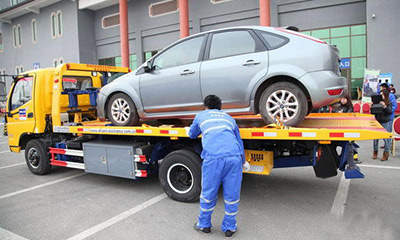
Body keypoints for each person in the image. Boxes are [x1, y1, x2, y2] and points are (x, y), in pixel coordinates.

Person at [188, 95, 249, 238]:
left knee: (208, 193)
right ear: (221, 106)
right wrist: (244, 161)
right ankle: (229, 228)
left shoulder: (201, 115)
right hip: (234, 158)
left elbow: (192, 134)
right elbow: (238, 140)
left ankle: (204, 226)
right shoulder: (229, 118)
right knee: (232, 195)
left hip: (213, 159)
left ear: (206, 106)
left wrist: (190, 131)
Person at [372, 89, 392, 161]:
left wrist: (384, 106)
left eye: (383, 95)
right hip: (377, 121)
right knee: (375, 138)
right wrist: (373, 106)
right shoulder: (376, 103)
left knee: (386, 138)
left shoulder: (388, 103)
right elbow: (373, 113)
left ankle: (386, 153)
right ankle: (375, 152)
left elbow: (389, 112)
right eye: (380, 95)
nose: (381, 96)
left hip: (385, 121)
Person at [378, 83, 397, 149]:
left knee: (388, 132)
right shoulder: (380, 95)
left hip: (389, 117)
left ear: (384, 88)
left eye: (381, 88)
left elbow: (394, 106)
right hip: (381, 117)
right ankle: (386, 144)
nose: (380, 90)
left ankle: (388, 145)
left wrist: (389, 111)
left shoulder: (391, 96)